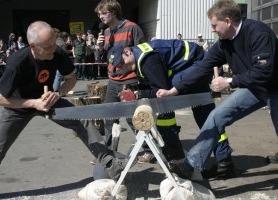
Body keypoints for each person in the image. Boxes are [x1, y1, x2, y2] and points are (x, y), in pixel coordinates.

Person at [0, 21, 128, 199]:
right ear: (33, 46)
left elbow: (71, 79)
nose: (54, 49)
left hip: (48, 99)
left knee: (81, 120)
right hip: (19, 104)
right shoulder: (17, 62)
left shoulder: (56, 52)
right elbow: (0, 99)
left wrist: (58, 93)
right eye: (48, 47)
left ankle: (110, 163)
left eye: (54, 44)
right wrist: (34, 103)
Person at [156, 0, 278, 179]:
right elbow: (201, 68)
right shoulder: (224, 43)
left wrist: (230, 82)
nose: (212, 30)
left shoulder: (258, 32)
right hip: (254, 88)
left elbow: (263, 71)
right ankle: (190, 166)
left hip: (274, 88)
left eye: (214, 25)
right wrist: (174, 90)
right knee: (216, 116)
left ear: (227, 21)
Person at [107, 39, 234, 176]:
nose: (122, 67)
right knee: (208, 119)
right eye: (119, 66)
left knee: (165, 105)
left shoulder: (147, 60)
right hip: (192, 65)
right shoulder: (138, 57)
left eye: (122, 62)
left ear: (127, 51)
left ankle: (177, 160)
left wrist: (138, 94)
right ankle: (224, 161)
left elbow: (162, 90)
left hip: (195, 65)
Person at [95, 0, 146, 157]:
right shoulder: (106, 32)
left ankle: (149, 149)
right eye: (99, 14)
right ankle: (109, 153)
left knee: (133, 118)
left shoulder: (131, 27)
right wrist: (99, 47)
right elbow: (102, 59)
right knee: (109, 117)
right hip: (113, 80)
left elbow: (143, 52)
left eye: (103, 13)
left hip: (130, 80)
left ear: (114, 12)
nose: (100, 16)